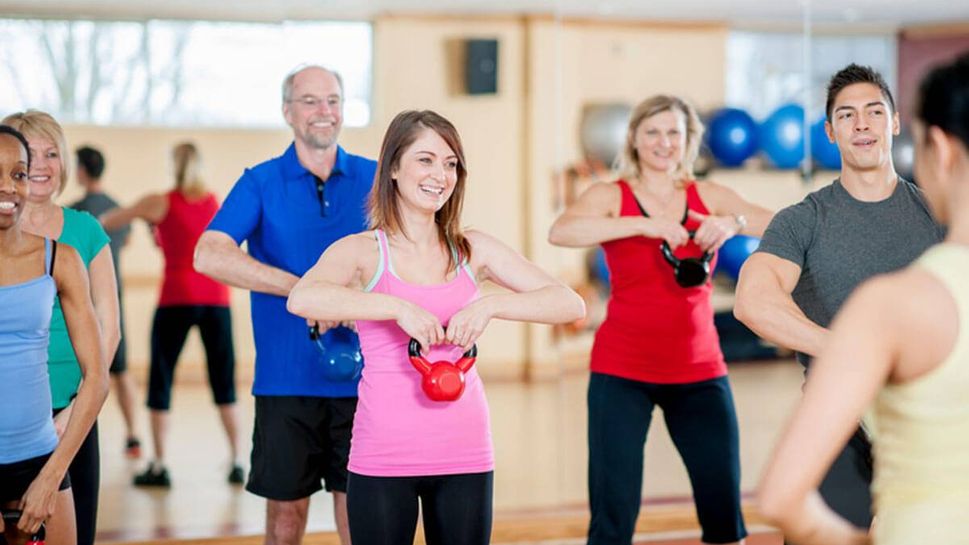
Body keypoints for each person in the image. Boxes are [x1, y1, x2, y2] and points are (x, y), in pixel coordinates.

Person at [287, 109, 585, 545]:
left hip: (465, 450)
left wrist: (491, 306)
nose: (440, 175)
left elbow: (568, 302)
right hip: (383, 453)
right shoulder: (365, 251)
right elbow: (303, 297)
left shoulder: (472, 248)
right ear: (393, 167)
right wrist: (394, 307)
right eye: (425, 160)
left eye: (450, 164)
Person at [757, 53, 969, 545]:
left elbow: (779, 497)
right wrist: (845, 352)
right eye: (845, 115)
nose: (862, 123)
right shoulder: (804, 218)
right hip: (844, 420)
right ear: (829, 131)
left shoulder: (892, 293)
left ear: (907, 129)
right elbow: (754, 300)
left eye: (874, 110)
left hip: (915, 434)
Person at [548, 94, 773, 545]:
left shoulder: (706, 194)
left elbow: (782, 224)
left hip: (699, 369)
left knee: (723, 510)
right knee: (613, 515)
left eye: (673, 132)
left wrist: (732, 222)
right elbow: (562, 231)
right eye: (652, 132)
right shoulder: (611, 195)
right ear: (633, 138)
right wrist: (641, 225)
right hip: (621, 370)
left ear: (688, 140)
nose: (663, 142)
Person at [194, 65, 377, 545]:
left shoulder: (376, 178)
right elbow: (209, 254)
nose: (324, 112)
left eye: (333, 100)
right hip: (285, 381)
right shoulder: (261, 181)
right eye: (311, 101)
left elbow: (414, 252)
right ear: (287, 112)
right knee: (285, 518)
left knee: (360, 513)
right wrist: (305, 291)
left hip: (369, 380)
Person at [4, 110, 120, 545]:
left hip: (74, 412)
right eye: (29, 154)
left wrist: (76, 411)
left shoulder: (84, 232)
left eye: (52, 153)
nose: (42, 164)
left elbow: (109, 328)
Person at [100, 142, 243, 487]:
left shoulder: (159, 202)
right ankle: (238, 461)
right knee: (224, 381)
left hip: (176, 297)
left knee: (161, 379)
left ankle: (159, 465)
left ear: (173, 166)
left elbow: (107, 222)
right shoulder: (213, 202)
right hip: (215, 298)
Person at [70, 145, 142, 459]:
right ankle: (133, 435)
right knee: (121, 371)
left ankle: (75, 431)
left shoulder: (73, 212)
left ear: (82, 170)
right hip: (113, 301)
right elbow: (125, 242)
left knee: (81, 373)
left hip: (80, 303)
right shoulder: (118, 208)